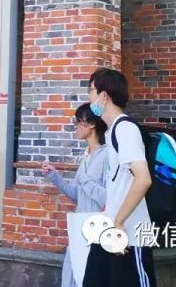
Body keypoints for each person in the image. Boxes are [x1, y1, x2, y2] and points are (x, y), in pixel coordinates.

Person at [84, 68, 157, 287]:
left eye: (91, 91)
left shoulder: (125, 129)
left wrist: (119, 221)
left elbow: (143, 179)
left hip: (129, 235)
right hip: (109, 232)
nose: (89, 97)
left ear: (104, 95)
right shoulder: (111, 132)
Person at [42, 103, 108, 287]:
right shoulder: (86, 156)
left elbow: (108, 197)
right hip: (80, 229)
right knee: (72, 278)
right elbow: (77, 195)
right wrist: (54, 176)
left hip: (97, 232)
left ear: (92, 124)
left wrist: (85, 179)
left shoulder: (108, 155)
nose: (76, 127)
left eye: (79, 122)